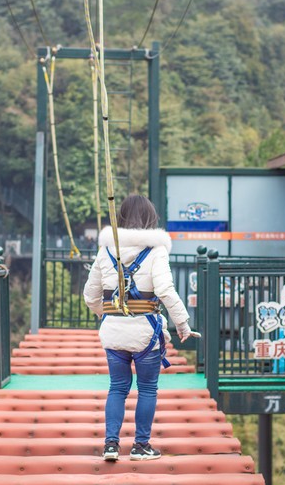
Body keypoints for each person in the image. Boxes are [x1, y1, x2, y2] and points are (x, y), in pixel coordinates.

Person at [83, 195, 199, 461]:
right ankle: (140, 446)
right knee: (147, 389)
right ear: (150, 219)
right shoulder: (156, 251)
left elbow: (91, 295)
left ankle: (111, 445)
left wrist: (108, 313)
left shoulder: (106, 250)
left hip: (113, 332)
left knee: (117, 387)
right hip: (145, 333)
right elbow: (165, 290)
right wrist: (182, 324)